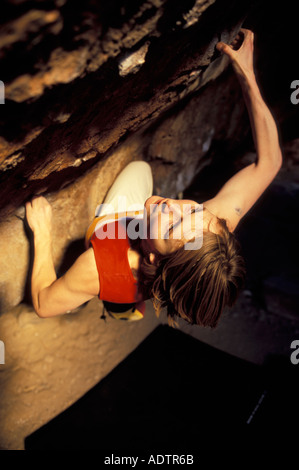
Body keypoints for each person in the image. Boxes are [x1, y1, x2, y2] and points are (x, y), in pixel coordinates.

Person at [25, 29, 283, 327]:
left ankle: (95, 302)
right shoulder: (208, 230)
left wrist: (42, 233)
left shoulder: (100, 266)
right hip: (148, 266)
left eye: (172, 224)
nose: (173, 205)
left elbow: (44, 305)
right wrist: (247, 75)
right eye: (193, 209)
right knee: (141, 170)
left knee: (116, 291)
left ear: (151, 259)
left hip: (119, 275)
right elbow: (270, 162)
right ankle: (125, 303)